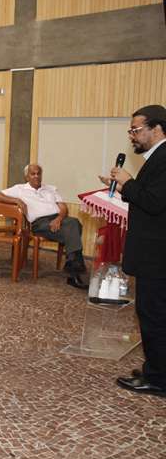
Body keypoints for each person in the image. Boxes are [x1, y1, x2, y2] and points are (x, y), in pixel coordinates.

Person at [99, 105, 166, 397]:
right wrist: (123, 189)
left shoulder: (164, 158)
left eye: (136, 130)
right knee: (155, 314)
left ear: (157, 129)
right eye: (130, 131)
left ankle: (158, 379)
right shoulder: (157, 158)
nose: (132, 136)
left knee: (154, 315)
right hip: (155, 253)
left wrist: (128, 182)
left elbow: (154, 203)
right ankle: (156, 368)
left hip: (157, 255)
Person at [0, 163, 88, 289]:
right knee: (74, 226)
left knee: (74, 223)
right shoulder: (20, 189)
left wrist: (59, 219)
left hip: (59, 220)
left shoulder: (51, 188)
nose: (36, 176)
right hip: (40, 224)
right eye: (33, 174)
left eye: (39, 173)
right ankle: (75, 265)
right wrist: (16, 200)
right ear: (27, 177)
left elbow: (63, 207)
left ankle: (73, 267)